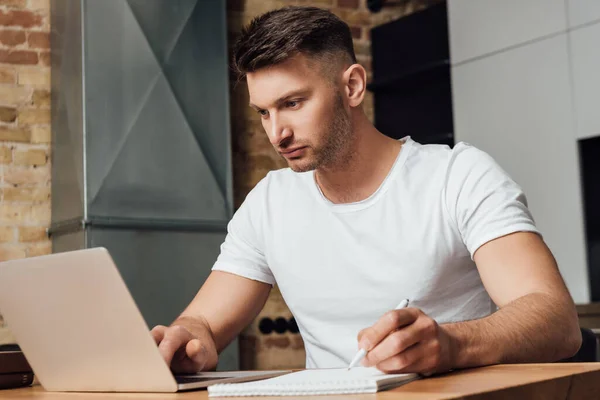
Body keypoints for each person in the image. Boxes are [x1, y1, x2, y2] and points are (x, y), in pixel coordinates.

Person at [150, 6, 581, 375]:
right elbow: (202, 321)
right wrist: (188, 340)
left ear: (352, 86)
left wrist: (451, 345)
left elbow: (557, 321)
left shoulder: (458, 176)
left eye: (293, 103)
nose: (277, 133)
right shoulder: (269, 202)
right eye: (264, 112)